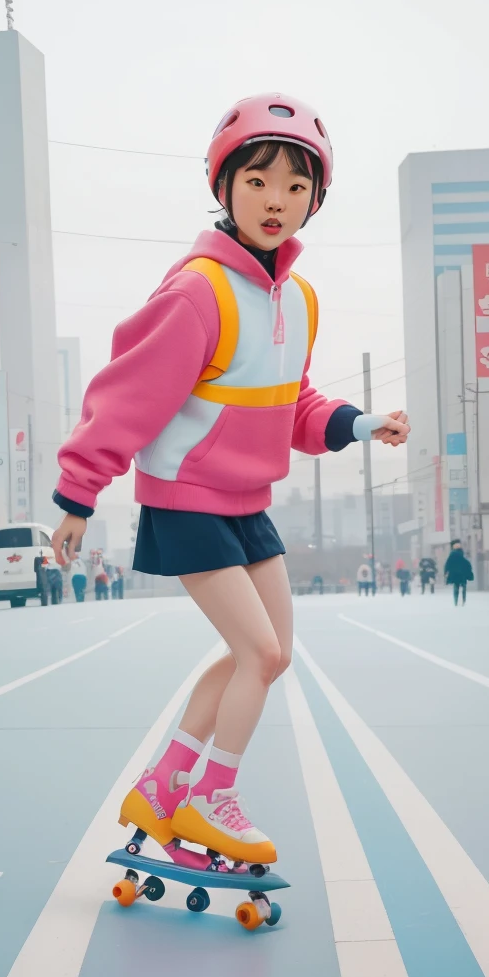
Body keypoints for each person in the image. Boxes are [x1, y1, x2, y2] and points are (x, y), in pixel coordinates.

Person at [48, 93, 410, 869]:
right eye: (257, 180)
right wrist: (79, 495)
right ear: (225, 187)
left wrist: (359, 423)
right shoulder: (197, 292)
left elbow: (294, 404)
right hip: (186, 499)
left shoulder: (297, 298)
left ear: (315, 199)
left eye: (294, 186)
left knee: (271, 650)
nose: (275, 200)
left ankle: (164, 786)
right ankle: (212, 801)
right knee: (260, 656)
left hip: (247, 501)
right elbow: (126, 398)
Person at [444, 539, 473, 606]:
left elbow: (448, 564)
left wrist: (446, 572)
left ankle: (457, 601)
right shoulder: (461, 553)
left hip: (456, 573)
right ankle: (462, 601)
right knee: (462, 586)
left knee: (457, 587)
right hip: (461, 572)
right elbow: (467, 563)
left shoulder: (453, 554)